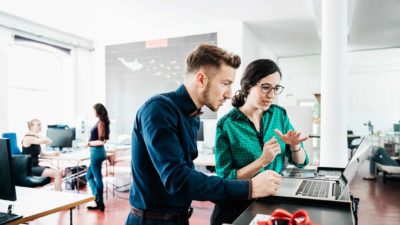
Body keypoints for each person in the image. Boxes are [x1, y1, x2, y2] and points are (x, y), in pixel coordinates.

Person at [125, 44, 282, 225]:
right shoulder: (158, 109)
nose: (229, 94)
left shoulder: (192, 117)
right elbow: (177, 179)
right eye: (225, 83)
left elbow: (188, 175)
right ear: (201, 79)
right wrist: (250, 187)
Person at [210, 59, 310, 225]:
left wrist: (295, 146)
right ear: (248, 86)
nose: (271, 95)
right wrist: (262, 161)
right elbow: (226, 178)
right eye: (265, 87)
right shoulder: (227, 125)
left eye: (276, 88)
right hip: (238, 207)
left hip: (272, 202)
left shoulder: (279, 115)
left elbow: (301, 163)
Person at [22, 119, 63, 191]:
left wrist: (53, 154)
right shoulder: (29, 138)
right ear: (31, 126)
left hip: (35, 166)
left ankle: (58, 194)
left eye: (40, 124)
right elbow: (49, 141)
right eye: (38, 125)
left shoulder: (35, 139)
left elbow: (42, 154)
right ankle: (59, 197)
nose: (40, 126)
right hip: (29, 168)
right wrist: (36, 134)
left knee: (58, 172)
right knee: (57, 174)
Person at [86, 103, 110, 212]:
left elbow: (101, 141)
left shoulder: (101, 123)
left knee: (96, 177)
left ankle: (99, 201)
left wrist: (89, 143)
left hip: (96, 152)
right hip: (99, 152)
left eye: (93, 110)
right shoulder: (102, 122)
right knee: (89, 176)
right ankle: (98, 199)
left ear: (98, 111)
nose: (92, 112)